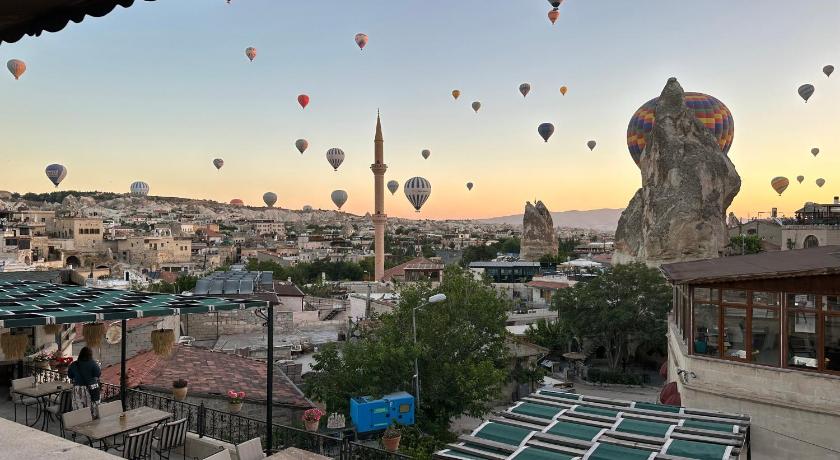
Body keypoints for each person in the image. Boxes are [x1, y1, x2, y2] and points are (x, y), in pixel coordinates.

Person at [67, 346, 101, 418]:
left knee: (80, 411)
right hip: (91, 389)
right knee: (92, 409)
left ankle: (81, 424)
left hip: (78, 390)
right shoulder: (93, 364)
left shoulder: (74, 364)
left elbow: (70, 375)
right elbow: (98, 374)